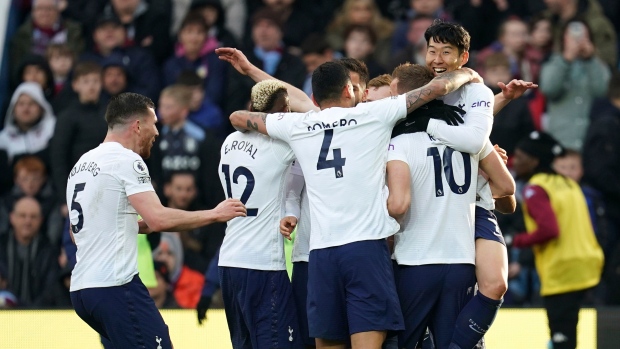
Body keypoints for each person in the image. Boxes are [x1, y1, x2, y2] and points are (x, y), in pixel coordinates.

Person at [228, 61, 479, 348]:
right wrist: (469, 74)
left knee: (328, 342)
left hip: (321, 255)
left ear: (314, 99)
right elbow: (437, 87)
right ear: (349, 89)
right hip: (365, 250)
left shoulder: (297, 125)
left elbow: (238, 117)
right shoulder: (373, 114)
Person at [66, 92, 245, 348]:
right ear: (138, 126)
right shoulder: (126, 160)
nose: (158, 133)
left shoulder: (81, 164)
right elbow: (159, 218)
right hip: (115, 286)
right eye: (155, 124)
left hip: (83, 290)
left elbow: (77, 232)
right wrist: (215, 213)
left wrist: (133, 225)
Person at [385, 64, 514, 349]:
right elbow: (507, 188)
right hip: (460, 262)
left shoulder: (398, 142)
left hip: (415, 262)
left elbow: (398, 204)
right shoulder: (471, 140)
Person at [218, 79, 303, 348]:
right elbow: (315, 115)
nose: (289, 115)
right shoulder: (281, 146)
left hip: (229, 262)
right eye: (285, 109)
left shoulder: (229, 142)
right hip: (262, 265)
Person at [512, 131, 604, 349]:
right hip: (587, 265)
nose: (515, 161)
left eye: (520, 155)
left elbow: (549, 230)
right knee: (568, 334)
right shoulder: (568, 183)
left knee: (562, 337)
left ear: (534, 160)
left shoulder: (536, 189)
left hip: (563, 271)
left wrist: (517, 241)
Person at [539, 19, 610, 151]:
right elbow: (549, 89)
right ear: (563, 38)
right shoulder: (552, 62)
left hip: (590, 141)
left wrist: (590, 59)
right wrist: (565, 60)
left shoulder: (598, 65)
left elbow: (602, 91)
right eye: (573, 36)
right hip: (560, 140)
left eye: (583, 36)